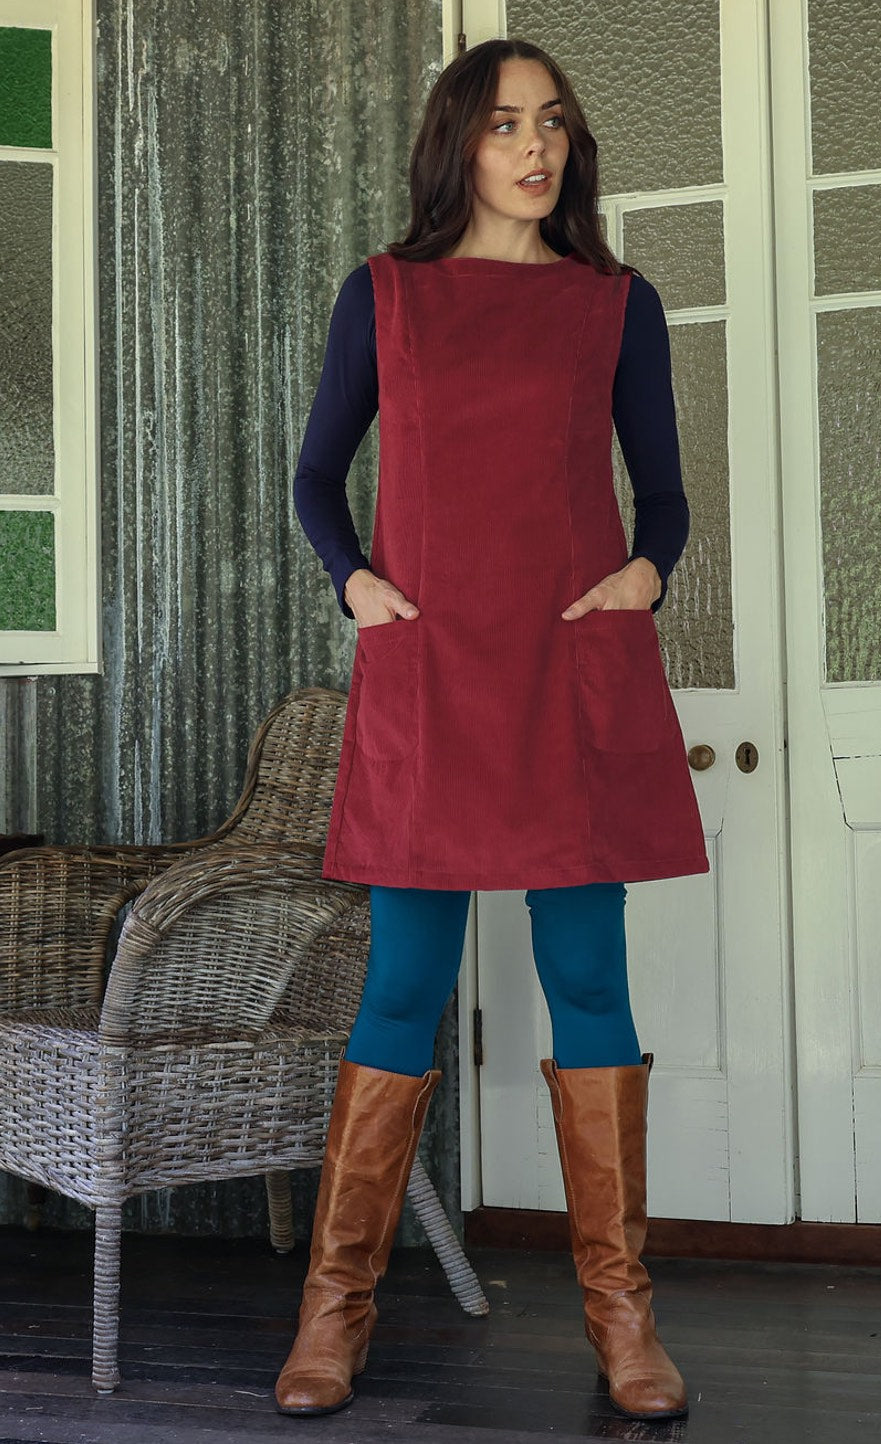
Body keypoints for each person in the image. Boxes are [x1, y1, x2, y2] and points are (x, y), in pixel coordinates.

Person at [275, 36, 709, 1424]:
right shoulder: (385, 296)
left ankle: (622, 1317)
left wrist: (650, 573)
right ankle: (334, 1314)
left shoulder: (615, 304)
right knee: (402, 988)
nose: (538, 149)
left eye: (556, 127)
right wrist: (357, 584)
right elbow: (315, 474)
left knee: (592, 982)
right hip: (432, 675)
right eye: (508, 124)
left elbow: (668, 498)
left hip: (570, 676)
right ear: (458, 141)